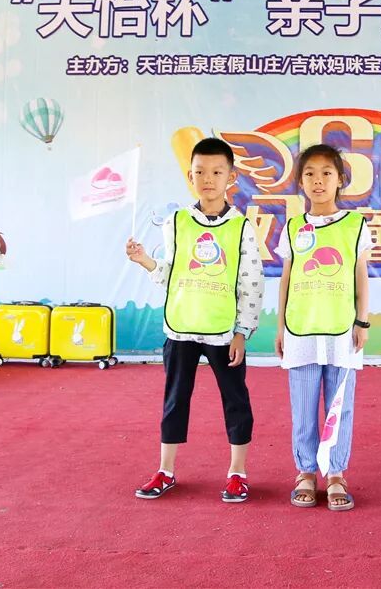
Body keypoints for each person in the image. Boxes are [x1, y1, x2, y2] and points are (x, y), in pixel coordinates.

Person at [125, 138, 262, 502]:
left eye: (217, 172)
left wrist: (242, 331)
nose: (208, 179)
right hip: (181, 328)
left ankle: (237, 473)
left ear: (231, 177)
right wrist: (145, 261)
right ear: (190, 176)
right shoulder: (176, 222)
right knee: (174, 400)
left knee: (235, 400)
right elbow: (170, 273)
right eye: (200, 171)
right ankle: (165, 471)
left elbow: (251, 282)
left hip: (222, 331)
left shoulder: (241, 227)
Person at [275, 144, 373, 511]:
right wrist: (281, 327)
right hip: (301, 330)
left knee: (339, 407)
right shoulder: (292, 227)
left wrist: (362, 321)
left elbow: (361, 277)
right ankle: (305, 472)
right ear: (300, 182)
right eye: (310, 174)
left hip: (342, 331)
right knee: (302, 408)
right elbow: (286, 279)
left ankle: (335, 474)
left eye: (326, 173)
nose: (318, 181)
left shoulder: (355, 226)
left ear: (340, 180)